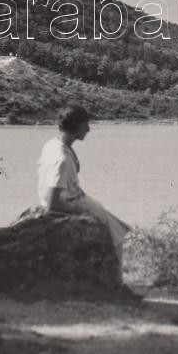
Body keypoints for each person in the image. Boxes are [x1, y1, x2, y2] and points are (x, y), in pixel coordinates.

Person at [38, 104, 131, 280]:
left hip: (70, 196)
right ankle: (117, 283)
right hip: (71, 201)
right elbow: (53, 203)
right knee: (117, 235)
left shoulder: (53, 144)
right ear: (76, 127)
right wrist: (83, 213)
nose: (88, 129)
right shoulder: (62, 159)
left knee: (117, 228)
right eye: (85, 125)